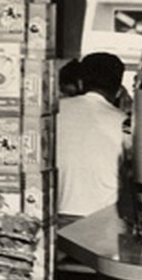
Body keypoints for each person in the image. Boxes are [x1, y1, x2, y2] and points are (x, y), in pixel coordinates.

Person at [55, 51, 132, 221]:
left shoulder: (54, 113)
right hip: (101, 224)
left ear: (80, 83)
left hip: (53, 217)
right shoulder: (125, 124)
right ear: (119, 90)